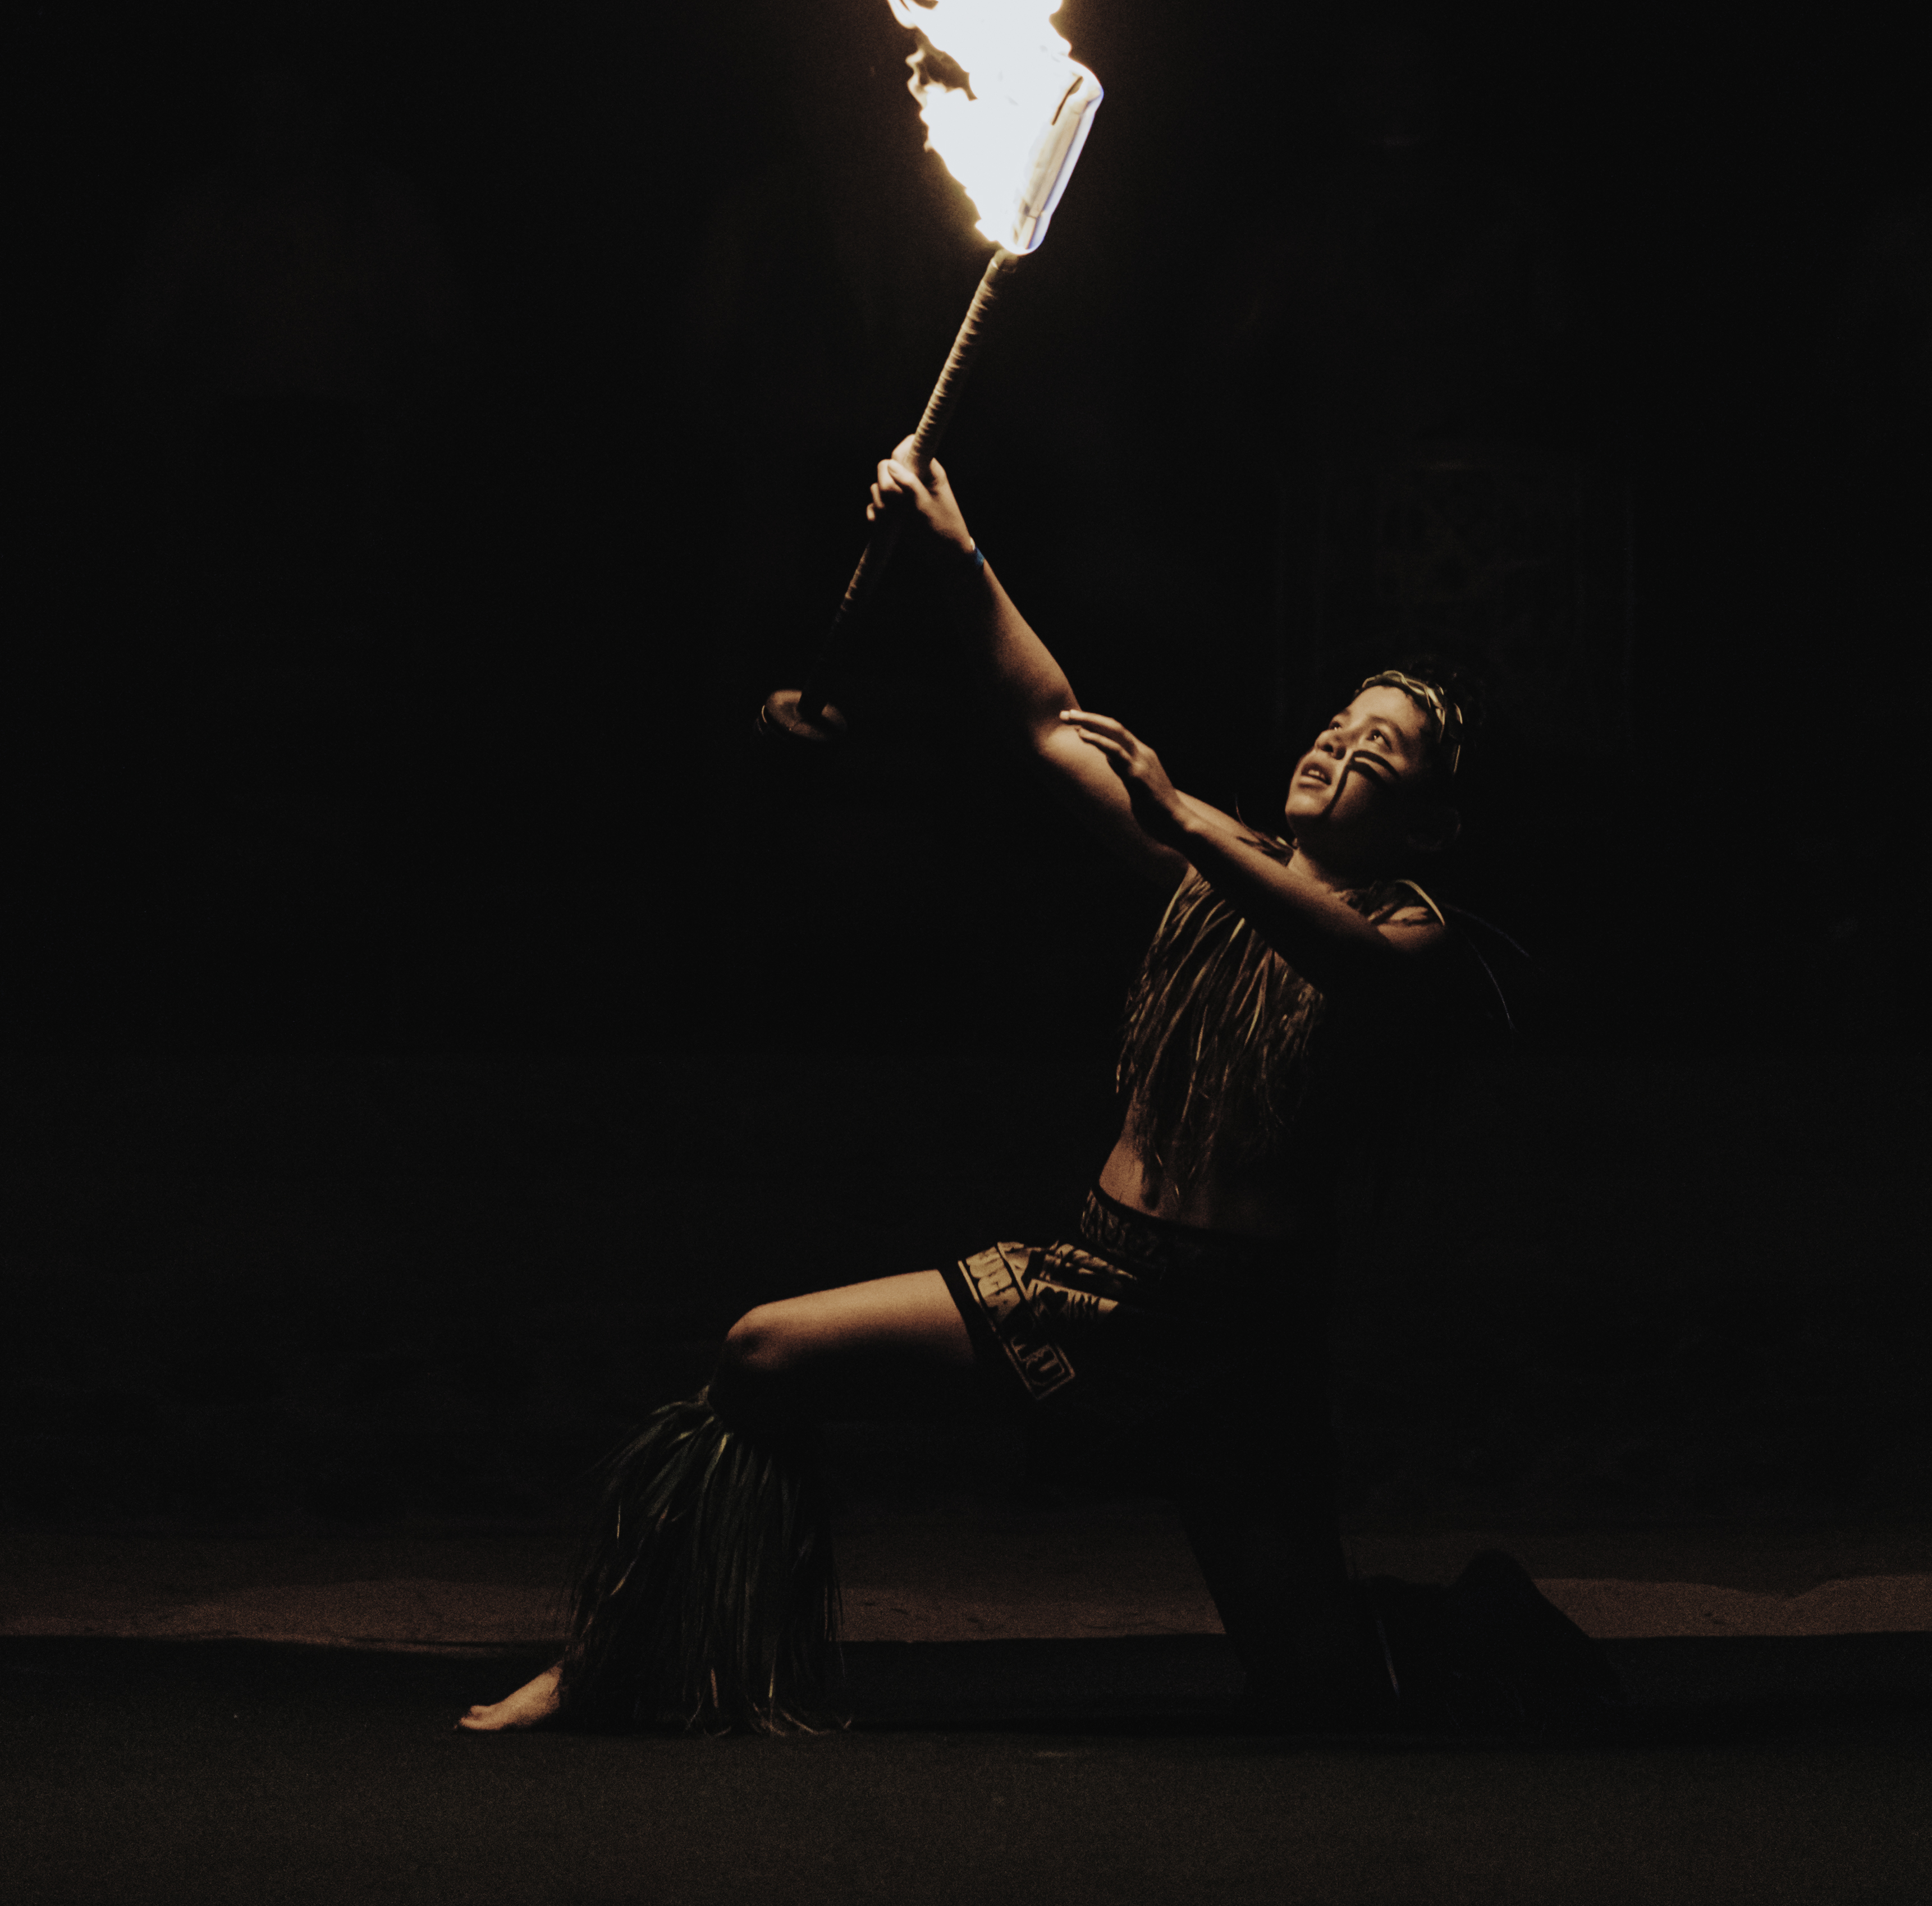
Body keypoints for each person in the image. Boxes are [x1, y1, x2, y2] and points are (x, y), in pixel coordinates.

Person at [462, 447, 1612, 1740]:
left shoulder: (1414, 935)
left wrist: (1185, 825)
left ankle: (1482, 1624)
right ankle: (620, 1663)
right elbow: (1047, 722)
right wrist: (958, 552)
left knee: (1319, 1688)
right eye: (1336, 725)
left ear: (1430, 825)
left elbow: (1339, 956)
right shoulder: (1209, 861)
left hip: (1239, 1350)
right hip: (1096, 1284)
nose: (1335, 748)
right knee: (761, 1351)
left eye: (1377, 752)